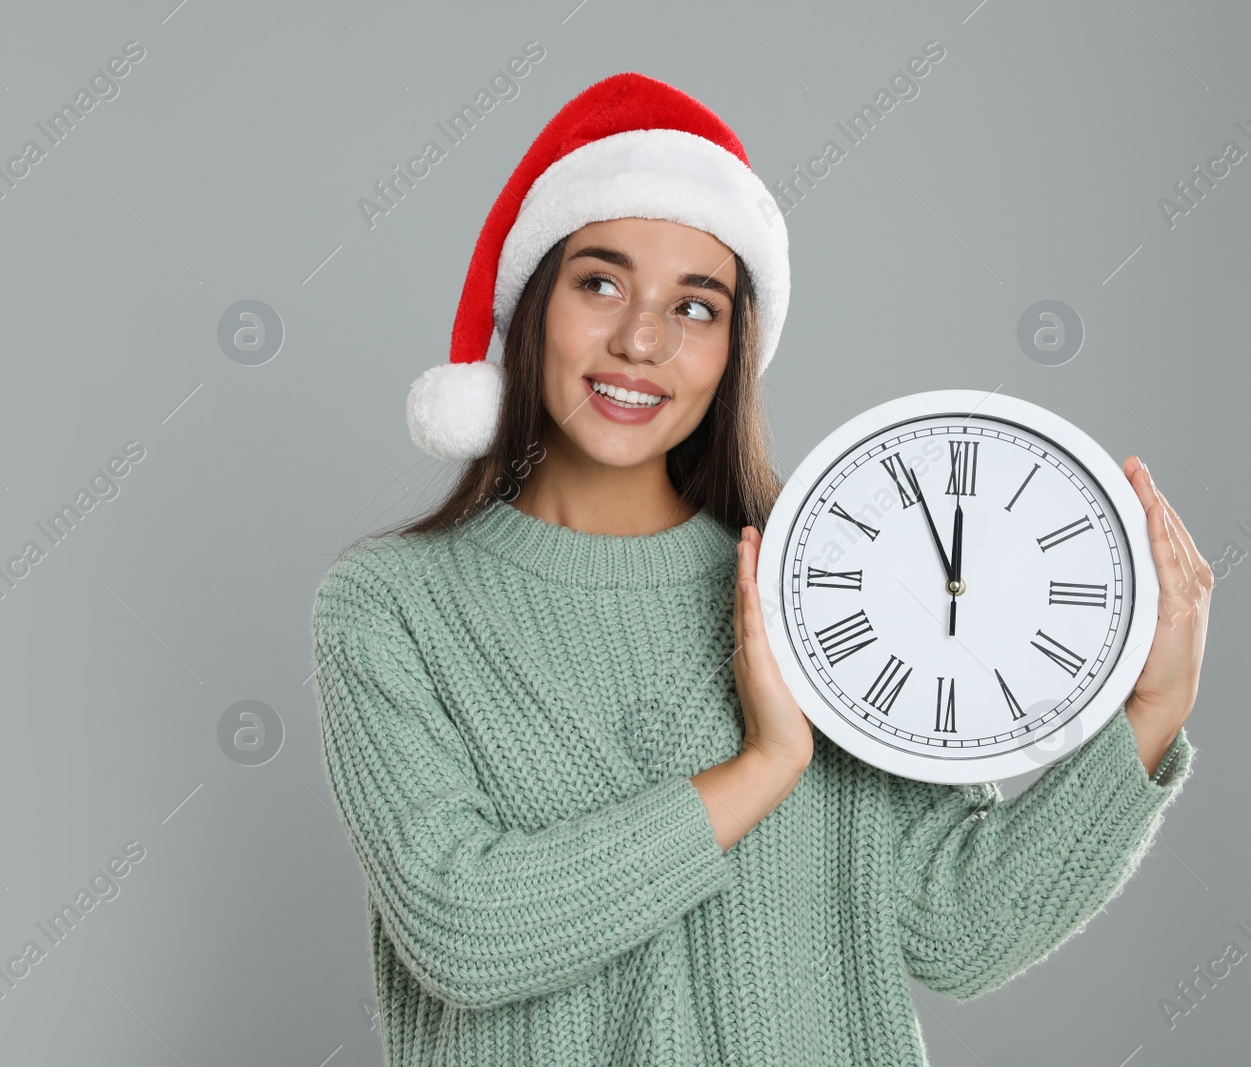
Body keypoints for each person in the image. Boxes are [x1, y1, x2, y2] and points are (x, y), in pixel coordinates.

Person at [310, 72, 1211, 1066]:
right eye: (600, 282)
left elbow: (953, 923)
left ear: (734, 346)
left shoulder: (824, 584)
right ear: (532, 307)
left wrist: (1149, 710)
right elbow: (461, 924)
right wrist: (763, 765)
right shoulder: (393, 605)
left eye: (694, 307)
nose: (641, 339)